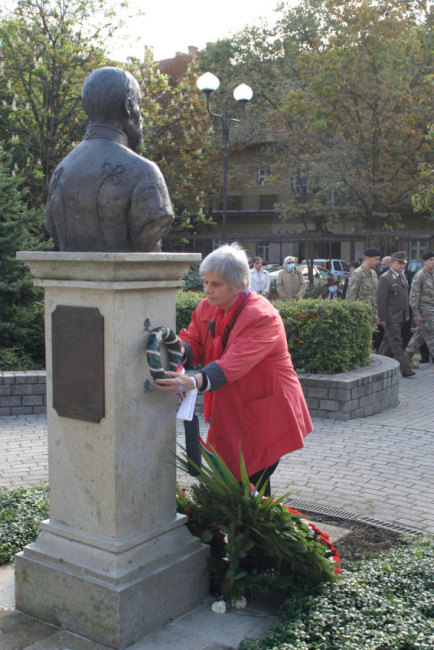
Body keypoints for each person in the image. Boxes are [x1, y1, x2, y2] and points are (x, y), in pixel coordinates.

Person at [155, 243, 313, 495]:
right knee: (239, 486)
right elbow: (194, 340)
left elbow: (233, 364)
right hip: (232, 410)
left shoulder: (262, 316)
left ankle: (257, 519)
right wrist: (180, 351)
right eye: (206, 282)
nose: (207, 289)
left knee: (252, 483)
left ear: (239, 285)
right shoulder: (208, 306)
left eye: (215, 284)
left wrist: (194, 382)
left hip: (267, 415)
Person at [45, 67, 174, 252]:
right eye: (138, 104)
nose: (141, 116)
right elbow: (153, 227)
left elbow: (51, 227)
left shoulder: (61, 171)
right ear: (128, 106)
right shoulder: (144, 172)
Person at [377, 251, 415, 377]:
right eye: (399, 263)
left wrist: (407, 313)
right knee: (397, 342)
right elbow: (381, 300)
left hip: (400, 315)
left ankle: (377, 365)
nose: (402, 265)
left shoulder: (402, 276)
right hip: (390, 316)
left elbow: (405, 297)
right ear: (392, 263)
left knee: (387, 343)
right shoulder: (385, 278)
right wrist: (382, 317)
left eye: (403, 263)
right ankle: (406, 369)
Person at [405, 251, 434, 367]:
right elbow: (413, 296)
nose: (433, 262)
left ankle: (407, 355)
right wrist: (416, 313)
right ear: (425, 261)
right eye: (430, 260)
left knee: (420, 334)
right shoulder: (420, 275)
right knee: (431, 334)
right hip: (425, 310)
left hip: (432, 308)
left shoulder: (432, 274)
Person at [345, 247, 380, 316]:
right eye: (376, 259)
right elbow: (351, 296)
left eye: (378, 259)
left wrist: (377, 313)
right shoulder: (358, 273)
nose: (378, 262)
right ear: (368, 258)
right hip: (360, 314)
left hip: (372, 313)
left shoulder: (373, 274)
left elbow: (375, 295)